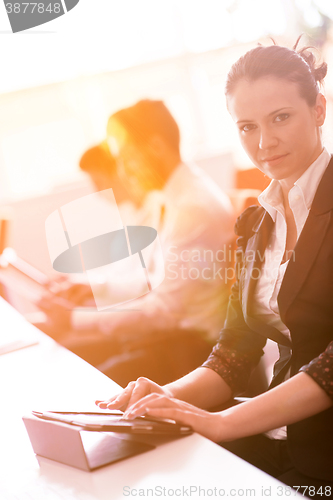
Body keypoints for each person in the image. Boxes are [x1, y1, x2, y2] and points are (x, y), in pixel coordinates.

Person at [96, 40, 333, 495]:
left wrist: (223, 422)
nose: (264, 143)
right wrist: (167, 396)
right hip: (274, 438)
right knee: (139, 474)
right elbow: (234, 352)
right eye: (247, 127)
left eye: (280, 118)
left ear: (318, 109)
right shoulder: (257, 223)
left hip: (325, 456)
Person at [43, 101, 235, 385]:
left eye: (128, 156)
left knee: (69, 381)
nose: (123, 170)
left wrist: (75, 319)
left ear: (156, 147)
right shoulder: (175, 198)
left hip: (190, 354)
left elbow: (164, 311)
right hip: (173, 342)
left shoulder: (191, 208)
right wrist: (95, 288)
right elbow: (152, 280)